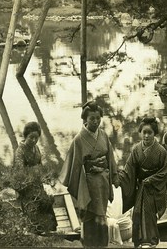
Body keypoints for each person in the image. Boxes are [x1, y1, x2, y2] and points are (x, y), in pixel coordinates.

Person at [59, 101, 119, 248]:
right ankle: (89, 245)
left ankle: (102, 245)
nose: (95, 121)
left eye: (98, 118)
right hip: (88, 183)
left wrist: (115, 175)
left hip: (103, 182)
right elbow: (75, 165)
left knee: (102, 215)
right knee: (89, 216)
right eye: (92, 118)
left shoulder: (103, 135)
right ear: (85, 119)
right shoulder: (79, 139)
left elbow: (110, 157)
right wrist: (79, 186)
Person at [119, 117, 167, 248]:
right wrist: (119, 177)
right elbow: (129, 168)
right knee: (136, 213)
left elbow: (165, 171)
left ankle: (152, 242)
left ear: (155, 134)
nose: (146, 136)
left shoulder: (161, 151)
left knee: (150, 215)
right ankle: (139, 242)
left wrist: (152, 180)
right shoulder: (136, 149)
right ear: (140, 133)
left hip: (153, 189)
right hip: (140, 186)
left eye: (150, 133)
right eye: (144, 132)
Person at [13, 121, 57, 233]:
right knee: (35, 205)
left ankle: (49, 227)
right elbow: (21, 172)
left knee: (47, 199)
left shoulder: (36, 148)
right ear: (25, 136)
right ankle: (36, 230)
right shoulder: (20, 151)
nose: (34, 140)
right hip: (26, 186)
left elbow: (40, 166)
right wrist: (34, 175)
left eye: (36, 138)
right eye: (31, 137)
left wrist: (46, 179)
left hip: (37, 183)